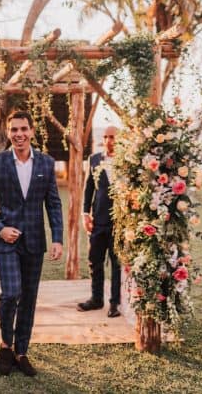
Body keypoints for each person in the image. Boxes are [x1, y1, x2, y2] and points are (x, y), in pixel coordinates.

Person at [0, 110, 64, 377]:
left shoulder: (46, 163)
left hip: (35, 241)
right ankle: (6, 344)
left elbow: (53, 203)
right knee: (11, 293)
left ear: (31, 131)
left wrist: (58, 238)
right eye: (14, 130)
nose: (19, 134)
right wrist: (0, 229)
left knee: (28, 298)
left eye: (23, 129)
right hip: (6, 241)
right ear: (8, 132)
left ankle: (21, 351)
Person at [77, 126, 121, 318]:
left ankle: (114, 303)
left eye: (112, 137)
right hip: (98, 219)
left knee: (116, 263)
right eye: (105, 137)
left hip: (120, 222)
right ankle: (96, 299)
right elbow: (88, 189)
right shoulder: (94, 159)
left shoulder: (128, 161)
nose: (109, 140)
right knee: (95, 261)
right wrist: (85, 214)